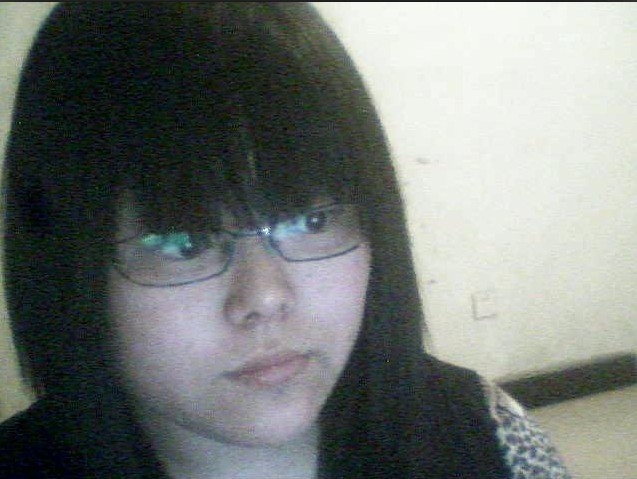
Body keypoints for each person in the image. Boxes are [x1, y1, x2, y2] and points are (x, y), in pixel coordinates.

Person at [0, 3, 570, 478]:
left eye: (311, 221)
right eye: (182, 242)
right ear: (64, 265)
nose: (267, 297)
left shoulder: (487, 436)